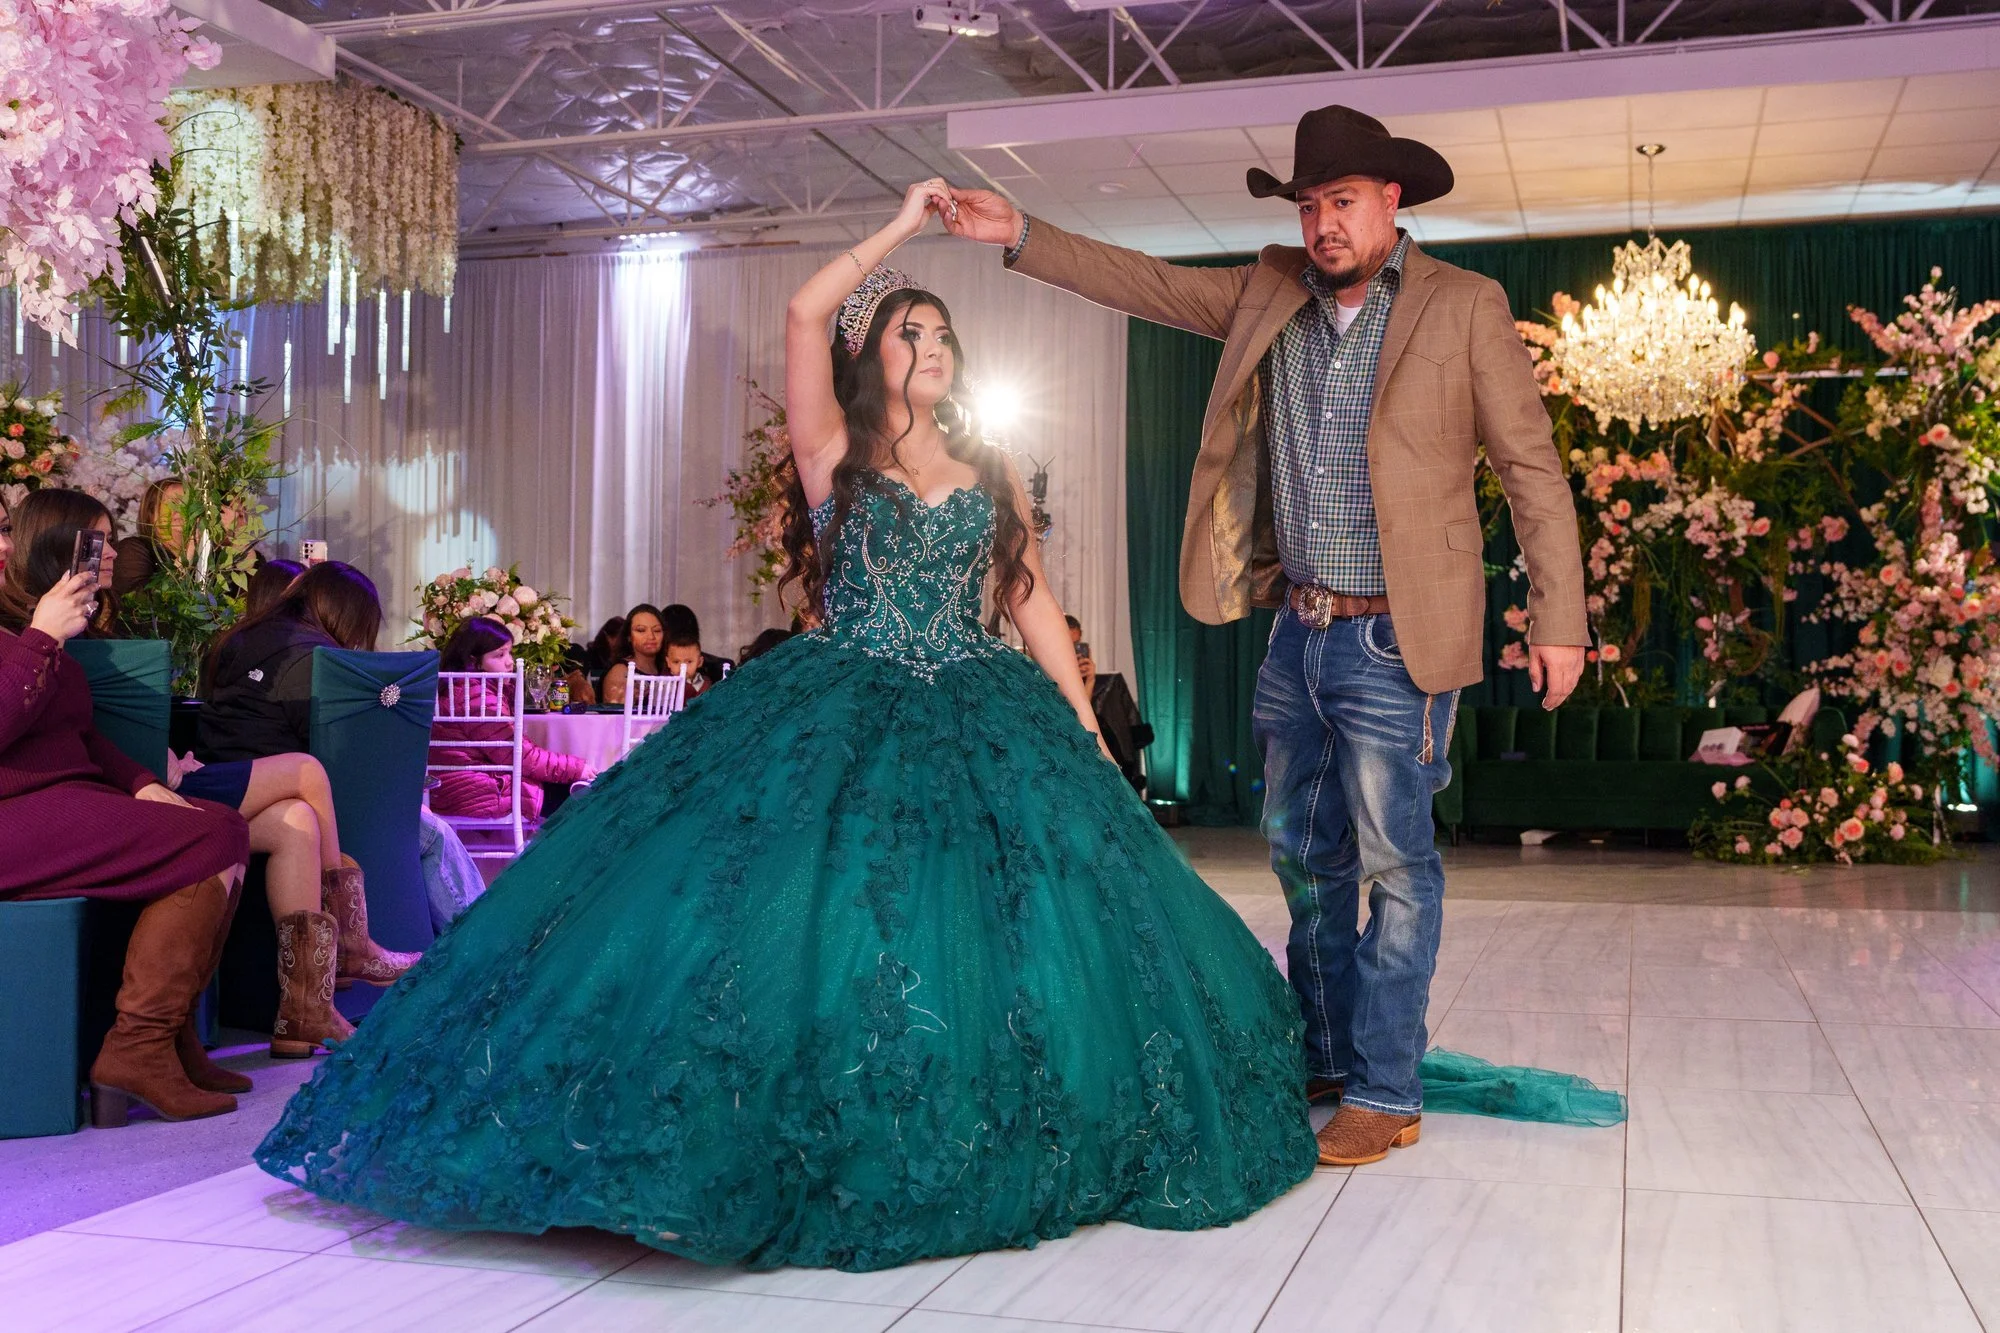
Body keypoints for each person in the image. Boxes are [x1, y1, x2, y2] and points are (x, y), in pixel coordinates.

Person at [256, 179, 1321, 1273]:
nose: (934, 346)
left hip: (979, 704)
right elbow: (806, 314)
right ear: (875, 360)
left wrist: (1086, 727)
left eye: (943, 333)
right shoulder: (834, 456)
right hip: (840, 697)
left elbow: (1029, 600)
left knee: (993, 915)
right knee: (807, 907)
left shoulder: (990, 468)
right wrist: (904, 228)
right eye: (912, 332)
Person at [947, 105, 1592, 1164]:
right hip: (1295, 634)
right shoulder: (1268, 292)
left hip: (1398, 636)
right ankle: (1326, 1060)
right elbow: (1146, 282)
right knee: (1301, 858)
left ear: (1391, 202)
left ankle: (1386, 1088)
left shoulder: (1463, 306)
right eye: (1307, 205)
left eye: (1340, 202)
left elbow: (1530, 468)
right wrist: (1022, 233)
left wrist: (1556, 618)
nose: (1322, 224)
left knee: (1393, 862)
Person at [0, 493, 253, 1127]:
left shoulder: (18, 619)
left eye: (5, 531)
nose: (5, 546)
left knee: (218, 824)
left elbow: (74, 735)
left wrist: (141, 781)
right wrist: (40, 638)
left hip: (52, 802)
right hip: (13, 816)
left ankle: (166, 1038)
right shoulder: (30, 630)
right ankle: (138, 1048)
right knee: (209, 838)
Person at [198, 561, 421, 1037]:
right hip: (232, 784)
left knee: (299, 819)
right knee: (311, 772)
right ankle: (351, 941)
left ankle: (304, 1011)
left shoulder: (243, 635)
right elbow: (337, 747)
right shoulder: (313, 656)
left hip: (235, 782)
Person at [430, 615, 594, 823]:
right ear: (474, 661)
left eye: (509, 652)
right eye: (499, 655)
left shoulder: (464, 688)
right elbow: (522, 757)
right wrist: (577, 768)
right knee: (587, 801)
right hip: (478, 792)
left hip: (465, 787)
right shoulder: (476, 696)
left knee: (577, 791)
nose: (510, 662)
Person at [1068, 623, 1152, 796]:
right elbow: (1072, 714)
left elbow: (1082, 712)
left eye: (1078, 645)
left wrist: (1090, 679)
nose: (1075, 652)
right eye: (1070, 645)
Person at [597, 603, 665, 706]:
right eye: (641, 630)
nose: (651, 636)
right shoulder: (620, 671)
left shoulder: (669, 668)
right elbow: (614, 717)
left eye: (657, 630)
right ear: (628, 636)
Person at [660, 603, 731, 695]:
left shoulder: (705, 681)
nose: (683, 667)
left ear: (699, 661)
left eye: (689, 661)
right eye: (676, 661)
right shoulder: (664, 682)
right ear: (668, 661)